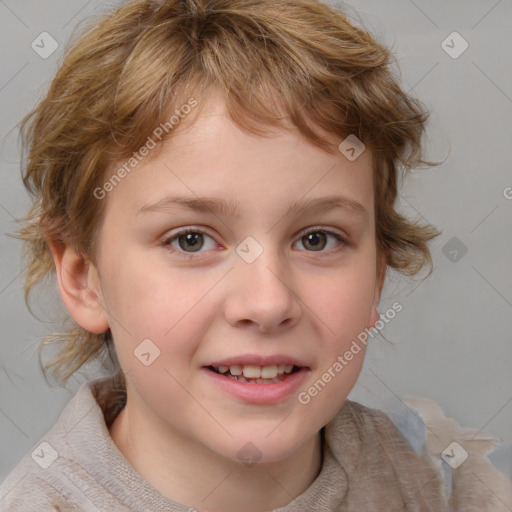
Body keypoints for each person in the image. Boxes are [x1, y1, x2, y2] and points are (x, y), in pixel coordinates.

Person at [0, 0, 468, 510]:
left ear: (377, 276)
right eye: (191, 240)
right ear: (84, 278)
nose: (267, 303)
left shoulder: (435, 486)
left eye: (317, 239)